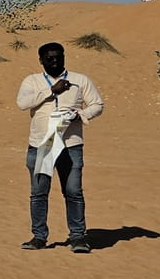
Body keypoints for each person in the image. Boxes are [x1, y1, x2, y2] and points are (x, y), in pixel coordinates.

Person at [17, 41, 103, 253]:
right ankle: (39, 237)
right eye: (50, 58)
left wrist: (81, 115)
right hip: (42, 144)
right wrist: (50, 90)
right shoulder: (32, 81)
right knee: (39, 192)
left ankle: (78, 237)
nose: (55, 61)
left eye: (59, 57)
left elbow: (97, 104)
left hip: (70, 145)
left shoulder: (80, 80)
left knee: (73, 191)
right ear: (41, 60)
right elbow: (22, 103)